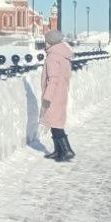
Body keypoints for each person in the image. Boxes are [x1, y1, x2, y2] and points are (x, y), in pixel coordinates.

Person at [40, 29, 75, 162]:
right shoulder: (63, 55)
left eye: (46, 41)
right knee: (56, 122)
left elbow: (53, 79)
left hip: (53, 95)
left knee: (55, 123)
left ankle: (66, 150)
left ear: (50, 42)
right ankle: (58, 151)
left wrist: (47, 97)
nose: (45, 43)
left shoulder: (52, 57)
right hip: (61, 93)